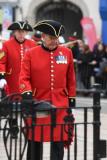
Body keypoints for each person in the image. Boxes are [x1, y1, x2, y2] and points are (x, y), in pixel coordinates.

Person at [19, 20, 76, 160]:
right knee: (35, 140)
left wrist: (71, 98)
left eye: (56, 38)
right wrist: (27, 94)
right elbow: (23, 77)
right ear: (43, 36)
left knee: (58, 141)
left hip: (60, 104)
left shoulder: (67, 53)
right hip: (38, 103)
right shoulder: (31, 54)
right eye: (51, 38)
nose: (55, 42)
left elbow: (71, 79)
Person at [0, 21, 36, 138]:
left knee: (27, 104)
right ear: (15, 32)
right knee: (12, 105)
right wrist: (2, 77)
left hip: (27, 81)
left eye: (24, 32)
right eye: (19, 32)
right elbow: (1, 62)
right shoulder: (6, 45)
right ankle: (13, 127)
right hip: (12, 80)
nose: (21, 34)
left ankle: (27, 128)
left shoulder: (32, 44)